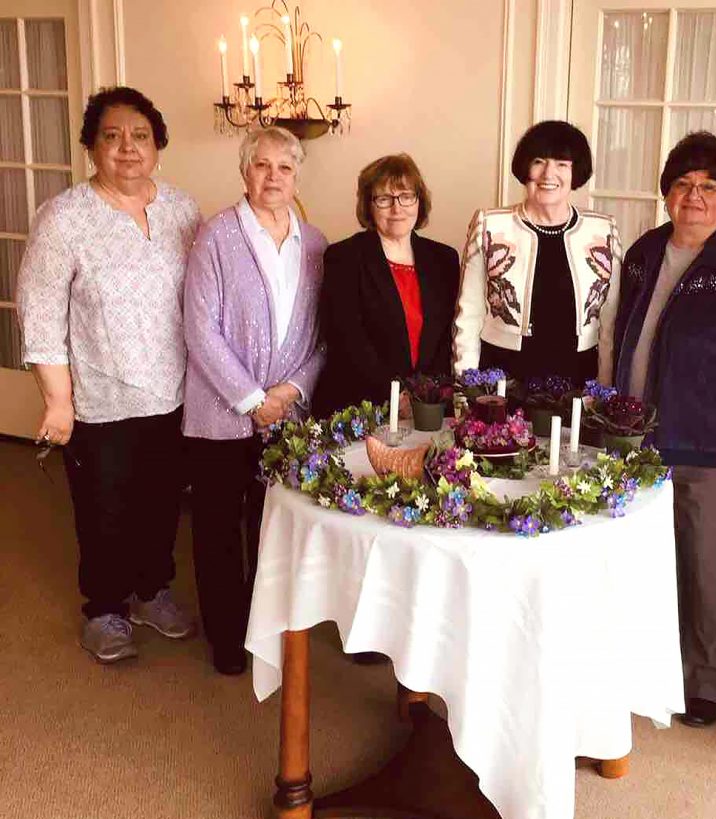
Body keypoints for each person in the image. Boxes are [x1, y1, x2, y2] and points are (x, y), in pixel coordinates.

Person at [16, 86, 200, 663]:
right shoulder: (65, 217)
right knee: (105, 509)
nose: (127, 148)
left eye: (140, 136)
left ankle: (151, 591)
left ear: (157, 145)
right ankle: (104, 609)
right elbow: (41, 313)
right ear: (91, 147)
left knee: (162, 502)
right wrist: (58, 400)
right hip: (100, 396)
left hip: (172, 390)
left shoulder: (182, 209)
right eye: (112, 136)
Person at [613, 132, 716, 728]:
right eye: (684, 185)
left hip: (711, 445)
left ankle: (707, 682)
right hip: (636, 442)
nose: (695, 197)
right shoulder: (643, 252)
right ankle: (651, 667)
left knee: (708, 569)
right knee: (644, 565)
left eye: (710, 187)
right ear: (666, 193)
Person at [182, 127, 327, 675]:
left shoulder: (315, 244)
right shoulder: (215, 235)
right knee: (218, 530)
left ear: (297, 178)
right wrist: (250, 399)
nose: (273, 177)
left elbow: (321, 335)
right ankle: (226, 635)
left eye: (284, 168)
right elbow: (200, 328)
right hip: (221, 415)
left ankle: (265, 627)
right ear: (245, 172)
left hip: (287, 416)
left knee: (271, 527)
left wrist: (289, 392)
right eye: (261, 165)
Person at [453, 120, 620, 386]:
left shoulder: (603, 231)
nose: (548, 174)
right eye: (539, 161)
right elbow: (468, 316)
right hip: (502, 379)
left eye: (562, 164)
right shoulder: (490, 225)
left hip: (577, 380)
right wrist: (467, 389)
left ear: (575, 172)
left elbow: (609, 326)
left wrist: (604, 389)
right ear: (525, 168)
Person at [310, 153, 458, 419]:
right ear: (369, 205)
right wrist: (395, 396)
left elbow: (446, 341)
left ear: (419, 201)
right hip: (361, 406)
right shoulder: (343, 257)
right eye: (384, 199)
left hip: (428, 409)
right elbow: (347, 339)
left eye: (406, 196)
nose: (396, 209)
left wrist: (424, 395)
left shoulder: (444, 259)